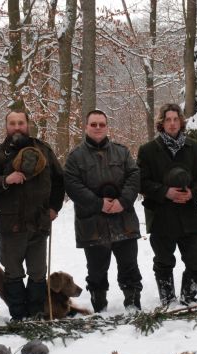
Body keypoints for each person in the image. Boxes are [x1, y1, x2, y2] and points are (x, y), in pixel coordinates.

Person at [0, 110, 65, 320]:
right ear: (6, 126)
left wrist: (54, 208)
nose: (17, 127)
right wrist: (5, 180)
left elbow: (59, 180)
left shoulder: (44, 150)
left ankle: (35, 315)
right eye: (12, 123)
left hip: (39, 223)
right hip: (11, 225)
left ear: (28, 124)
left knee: (38, 272)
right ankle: (18, 316)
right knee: (13, 273)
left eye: (21, 123)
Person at [64, 110, 143, 312]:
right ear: (86, 127)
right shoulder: (75, 157)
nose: (98, 127)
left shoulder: (122, 152)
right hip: (92, 223)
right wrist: (98, 203)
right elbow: (72, 185)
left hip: (123, 220)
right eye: (93, 124)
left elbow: (134, 176)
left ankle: (133, 304)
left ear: (107, 127)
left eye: (101, 124)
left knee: (129, 266)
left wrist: (123, 201)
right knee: (96, 270)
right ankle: (99, 307)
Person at [137, 103, 197, 306]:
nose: (172, 123)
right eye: (168, 120)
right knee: (164, 261)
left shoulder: (194, 147)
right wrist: (165, 192)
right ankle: (168, 300)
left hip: (189, 214)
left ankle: (188, 299)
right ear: (161, 123)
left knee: (196, 260)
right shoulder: (148, 150)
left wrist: (193, 193)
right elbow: (141, 182)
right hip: (161, 215)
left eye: (175, 119)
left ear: (181, 121)